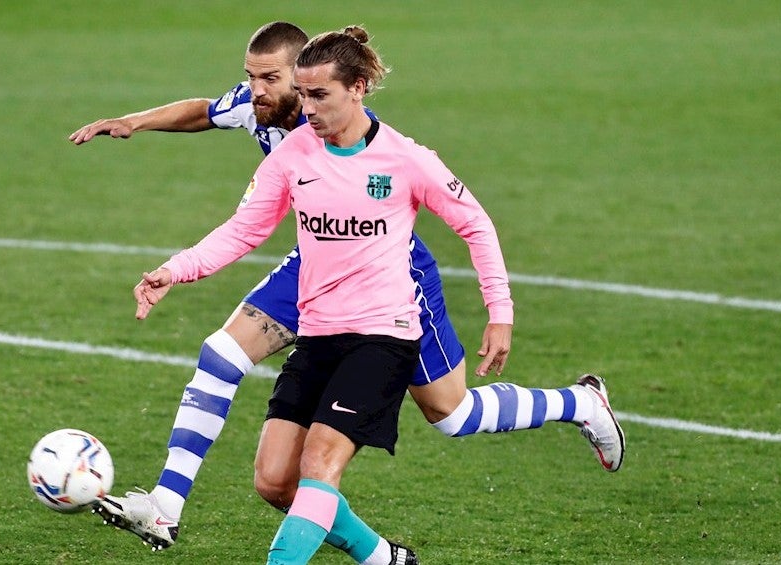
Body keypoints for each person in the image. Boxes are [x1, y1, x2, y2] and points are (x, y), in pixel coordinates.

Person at [70, 21, 624, 555]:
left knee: (451, 415)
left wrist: (499, 310)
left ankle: (578, 401)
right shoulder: (267, 119)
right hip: (315, 267)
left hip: (393, 281)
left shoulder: (385, 149)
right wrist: (137, 127)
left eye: (274, 81)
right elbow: (219, 155)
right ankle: (167, 504)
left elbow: (471, 220)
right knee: (230, 371)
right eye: (253, 78)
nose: (259, 92)